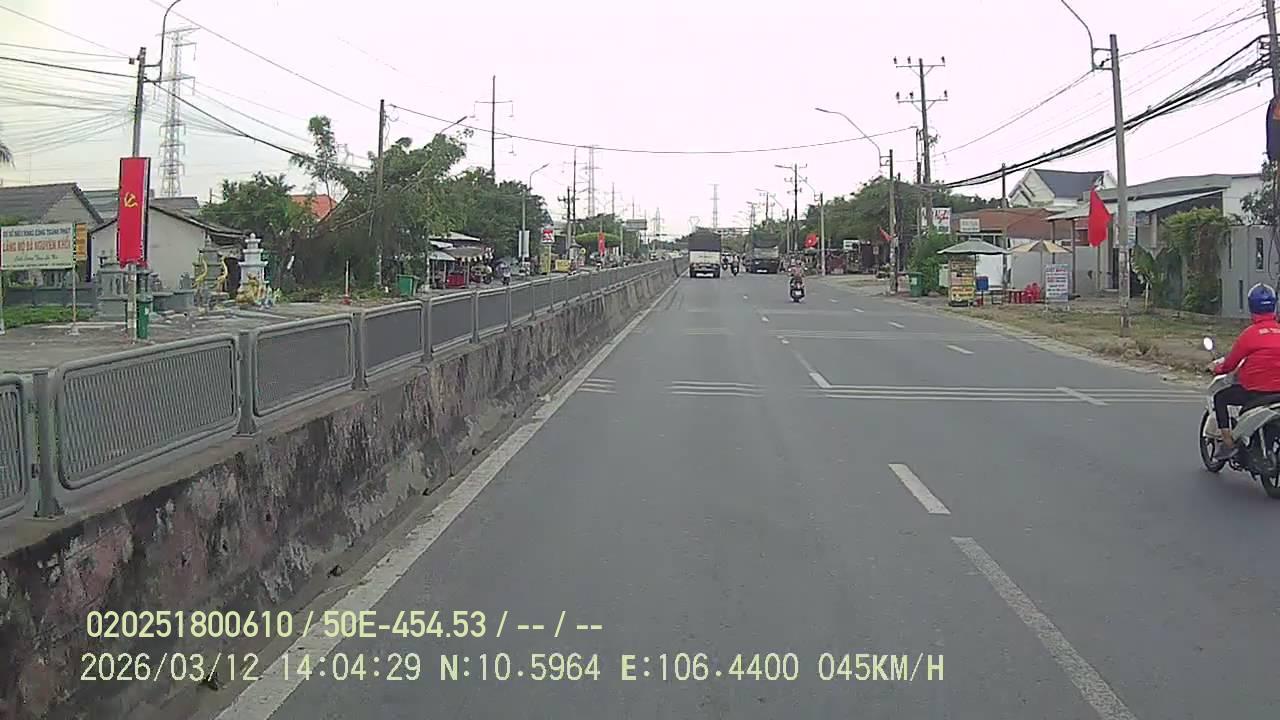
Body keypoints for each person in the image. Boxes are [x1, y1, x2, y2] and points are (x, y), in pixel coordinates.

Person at [1210, 283, 1280, 460]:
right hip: (1278, 394)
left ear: (1251, 306)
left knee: (1220, 398)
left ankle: (1228, 443)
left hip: (1254, 393)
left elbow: (1230, 364)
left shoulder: (1250, 335)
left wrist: (1217, 368)